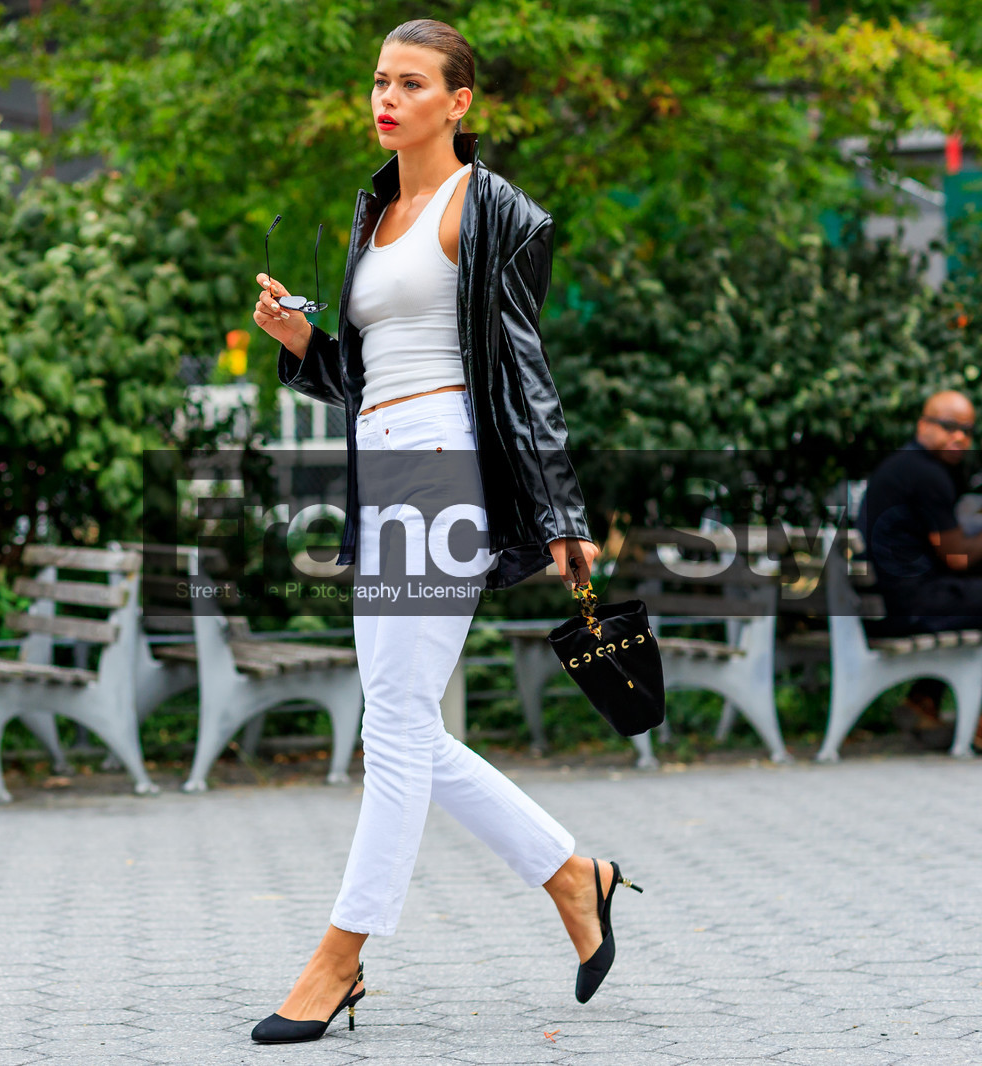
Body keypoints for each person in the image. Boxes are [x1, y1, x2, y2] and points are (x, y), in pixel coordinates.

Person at [248, 18, 642, 1046]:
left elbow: (520, 367)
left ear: (459, 102)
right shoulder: (374, 210)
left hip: (443, 468)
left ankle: (339, 957)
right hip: (383, 470)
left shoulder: (490, 208)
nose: (387, 98)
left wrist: (560, 510)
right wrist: (302, 343)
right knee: (401, 723)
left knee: (394, 726)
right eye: (380, 81)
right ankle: (573, 875)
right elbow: (364, 374)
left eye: (411, 83)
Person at [859, 390, 982, 747]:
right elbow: (957, 557)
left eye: (967, 431)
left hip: (886, 603)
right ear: (923, 425)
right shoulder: (926, 474)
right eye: (948, 427)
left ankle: (923, 700)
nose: (959, 438)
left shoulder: (902, 466)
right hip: (909, 606)